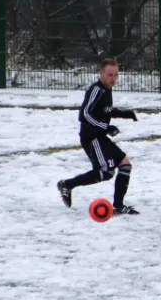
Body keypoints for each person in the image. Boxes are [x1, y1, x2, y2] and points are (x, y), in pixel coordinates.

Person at [57, 59, 140, 215]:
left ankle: (118, 205)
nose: (113, 78)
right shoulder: (96, 90)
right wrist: (106, 127)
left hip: (100, 137)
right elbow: (84, 114)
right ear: (101, 73)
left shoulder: (107, 89)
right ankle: (67, 184)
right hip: (92, 137)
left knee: (125, 165)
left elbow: (105, 110)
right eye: (110, 75)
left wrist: (125, 114)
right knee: (105, 172)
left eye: (116, 75)